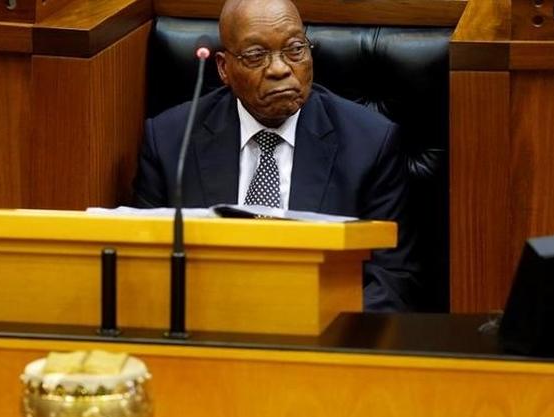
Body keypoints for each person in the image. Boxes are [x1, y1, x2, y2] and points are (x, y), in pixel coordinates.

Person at [133, 0, 422, 311]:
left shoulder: (370, 143)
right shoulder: (169, 141)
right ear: (223, 68)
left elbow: (393, 280)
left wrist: (306, 328)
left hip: (320, 340)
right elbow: (141, 269)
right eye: (257, 55)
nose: (280, 68)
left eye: (295, 49)